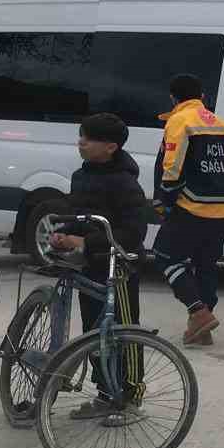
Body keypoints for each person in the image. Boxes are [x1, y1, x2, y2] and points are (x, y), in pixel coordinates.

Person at [49, 113, 152, 418]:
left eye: (89, 138)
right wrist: (64, 234)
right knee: (94, 333)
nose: (81, 142)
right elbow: (76, 214)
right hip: (89, 265)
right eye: (81, 135)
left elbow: (133, 234)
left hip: (117, 267)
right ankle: (106, 394)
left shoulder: (125, 183)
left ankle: (130, 396)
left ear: (110, 147)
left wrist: (85, 243)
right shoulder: (81, 176)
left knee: (122, 333)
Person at [153, 73, 224, 346]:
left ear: (173, 98)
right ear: (202, 97)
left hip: (194, 206)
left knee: (165, 256)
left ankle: (197, 311)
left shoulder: (180, 121)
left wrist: (165, 201)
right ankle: (202, 327)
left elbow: (172, 167)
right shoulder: (222, 124)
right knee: (206, 264)